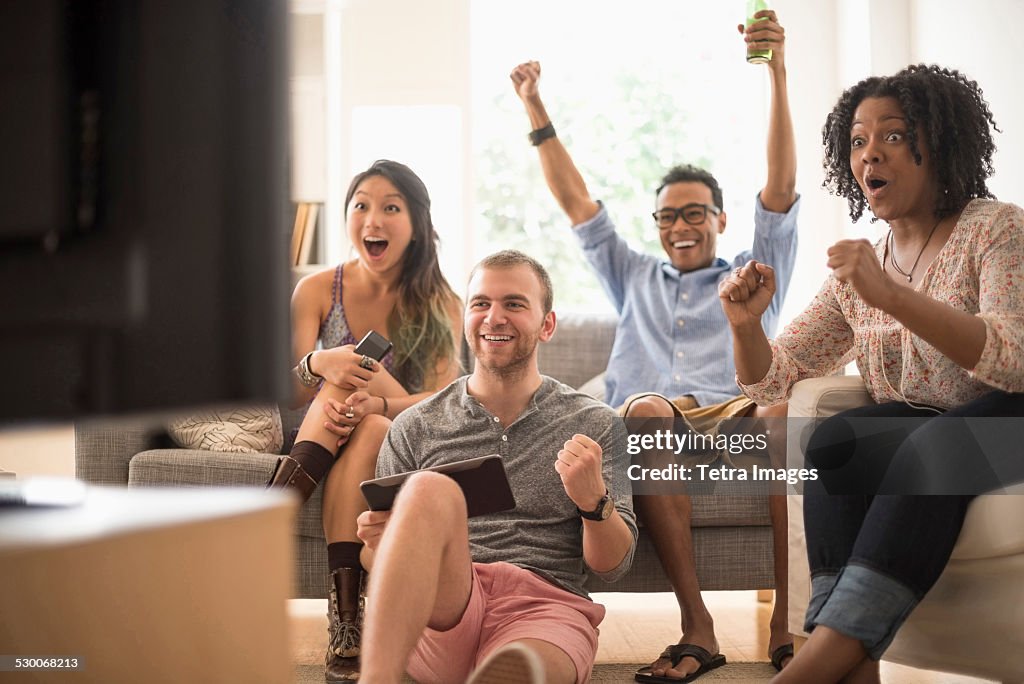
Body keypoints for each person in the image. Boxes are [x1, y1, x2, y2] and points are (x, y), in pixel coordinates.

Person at [511, 10, 799, 680]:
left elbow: (780, 187)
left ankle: (788, 620)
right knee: (642, 408)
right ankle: (697, 628)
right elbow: (577, 201)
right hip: (654, 423)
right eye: (667, 215)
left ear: (721, 220)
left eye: (694, 212)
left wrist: (777, 73)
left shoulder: (754, 273)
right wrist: (534, 107)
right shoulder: (633, 274)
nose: (679, 226)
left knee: (786, 413)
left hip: (735, 420)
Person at [720, 64, 1024, 684]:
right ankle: (854, 667)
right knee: (837, 441)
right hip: (932, 425)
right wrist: (745, 325)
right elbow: (772, 382)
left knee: (934, 443)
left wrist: (890, 296)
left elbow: (1012, 358)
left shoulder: (995, 228)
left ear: (936, 142)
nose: (870, 154)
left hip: (1012, 419)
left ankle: (817, 663)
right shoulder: (862, 267)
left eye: (891, 134)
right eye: (857, 141)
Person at [348, 250, 637, 684]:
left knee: (523, 667)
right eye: (480, 304)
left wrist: (594, 502)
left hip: (546, 608)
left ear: (547, 325)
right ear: (465, 319)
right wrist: (382, 543)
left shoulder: (595, 423)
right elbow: (375, 561)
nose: (493, 317)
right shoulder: (415, 425)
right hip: (446, 604)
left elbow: (613, 565)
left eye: (514, 304)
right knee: (430, 489)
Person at [267, 160, 463, 681]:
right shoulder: (315, 290)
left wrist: (374, 400)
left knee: (363, 384)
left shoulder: (443, 302)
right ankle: (347, 621)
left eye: (391, 208)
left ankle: (272, 510)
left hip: (406, 435)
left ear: (416, 223)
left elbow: (444, 401)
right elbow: (284, 392)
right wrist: (318, 363)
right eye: (361, 206)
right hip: (327, 428)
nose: (372, 219)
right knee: (346, 375)